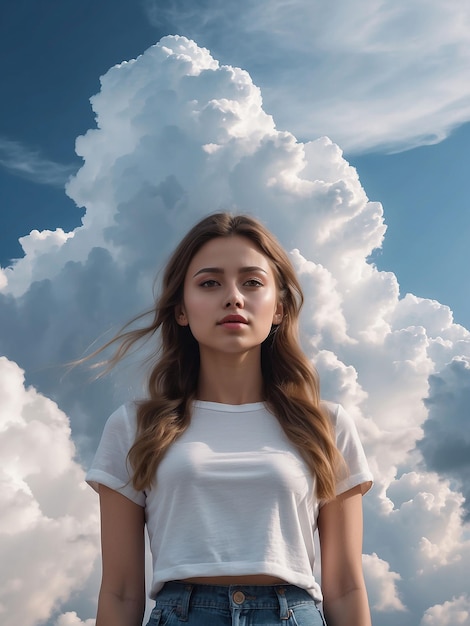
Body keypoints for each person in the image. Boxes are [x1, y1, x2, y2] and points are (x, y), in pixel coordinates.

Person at [86, 212, 373, 626]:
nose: (233, 297)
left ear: (279, 308)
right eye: (209, 283)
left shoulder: (326, 425)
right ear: (181, 310)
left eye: (252, 282)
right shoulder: (134, 426)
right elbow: (120, 591)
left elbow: (346, 586)